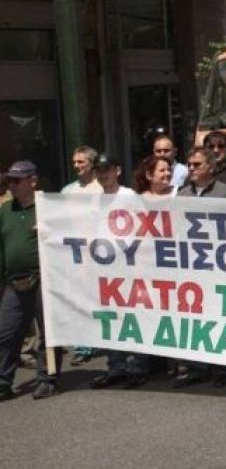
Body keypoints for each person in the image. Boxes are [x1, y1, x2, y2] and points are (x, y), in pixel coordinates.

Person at [171, 147, 226, 388]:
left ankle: (224, 368)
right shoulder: (182, 195)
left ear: (211, 167)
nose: (191, 169)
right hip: (192, 268)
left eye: (197, 164)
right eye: (189, 164)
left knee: (221, 317)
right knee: (196, 318)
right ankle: (197, 368)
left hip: (221, 267)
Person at [0, 161, 64, 400]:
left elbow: (66, 238)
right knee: (6, 334)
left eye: (17, 181)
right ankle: (3, 382)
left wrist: (48, 230)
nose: (12, 185)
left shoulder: (48, 207)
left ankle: (48, 379)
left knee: (48, 334)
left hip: (43, 279)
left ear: (33, 181)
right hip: (13, 282)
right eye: (9, 181)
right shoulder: (5, 210)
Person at [88, 155, 149, 390]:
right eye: (99, 171)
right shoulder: (95, 201)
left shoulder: (129, 197)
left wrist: (140, 260)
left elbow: (144, 227)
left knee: (134, 316)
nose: (103, 175)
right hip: (105, 269)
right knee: (109, 318)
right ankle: (116, 367)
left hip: (129, 267)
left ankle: (139, 367)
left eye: (107, 170)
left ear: (117, 171)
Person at [62, 145, 103, 366]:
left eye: (81, 162)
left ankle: (103, 338)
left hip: (100, 252)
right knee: (79, 299)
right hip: (75, 252)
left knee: (100, 299)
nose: (76, 165)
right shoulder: (67, 191)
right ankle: (82, 346)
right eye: (74, 162)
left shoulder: (103, 189)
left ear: (92, 163)